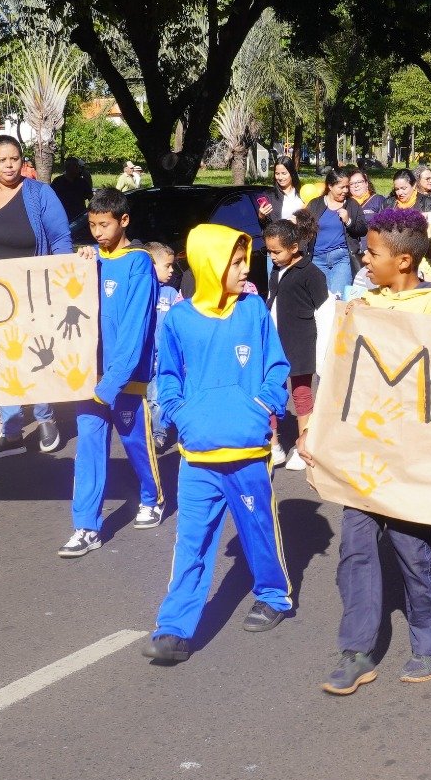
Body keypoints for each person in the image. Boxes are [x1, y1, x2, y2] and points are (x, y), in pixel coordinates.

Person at [297, 209, 431, 695]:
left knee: (413, 549)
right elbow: (340, 372)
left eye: (372, 253)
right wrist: (314, 431)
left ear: (405, 260)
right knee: (355, 547)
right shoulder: (361, 303)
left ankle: (430, 642)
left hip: (413, 455)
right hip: (363, 451)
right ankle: (356, 650)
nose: (363, 260)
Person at [142, 223, 293, 664]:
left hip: (247, 451)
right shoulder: (180, 319)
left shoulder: (253, 311)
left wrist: (260, 407)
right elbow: (167, 378)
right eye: (237, 261)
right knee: (191, 541)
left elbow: (276, 367)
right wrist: (183, 416)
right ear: (210, 266)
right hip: (198, 456)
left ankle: (273, 596)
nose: (246, 269)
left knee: (259, 530)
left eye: (245, 259)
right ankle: (174, 627)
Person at [59, 188, 164, 559]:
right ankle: (86, 526)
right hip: (89, 372)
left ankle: (152, 496)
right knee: (88, 447)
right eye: (92, 225)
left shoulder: (138, 263)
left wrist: (111, 383)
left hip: (125, 376)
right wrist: (82, 263)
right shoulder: (91, 259)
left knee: (135, 442)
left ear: (124, 221)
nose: (98, 232)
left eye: (104, 225)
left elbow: (135, 332)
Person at [0, 133, 75, 458]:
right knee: (0, 361)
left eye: (14, 158)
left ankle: (45, 417)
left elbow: (60, 240)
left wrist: (62, 280)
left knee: (34, 356)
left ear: (22, 160)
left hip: (31, 294)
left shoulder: (40, 194)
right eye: (2, 160)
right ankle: (11, 432)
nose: (9, 165)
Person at [263, 210, 329, 472]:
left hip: (301, 344)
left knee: (301, 395)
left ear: (294, 247)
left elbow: (323, 311)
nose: (272, 257)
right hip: (274, 343)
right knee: (271, 393)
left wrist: (322, 349)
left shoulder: (311, 273)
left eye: (276, 252)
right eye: (269, 251)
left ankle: (305, 446)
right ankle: (274, 446)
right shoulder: (276, 270)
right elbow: (272, 299)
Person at [304, 168, 366, 300]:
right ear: (330, 186)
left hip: (341, 259)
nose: (345, 191)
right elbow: (304, 228)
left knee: (338, 299)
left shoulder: (352, 204)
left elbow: (362, 229)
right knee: (320, 301)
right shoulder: (315, 204)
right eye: (341, 187)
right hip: (317, 259)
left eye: (347, 187)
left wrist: (348, 221)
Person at [146, 241, 182, 454]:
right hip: (145, 357)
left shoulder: (170, 293)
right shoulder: (141, 291)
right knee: (149, 399)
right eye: (167, 266)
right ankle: (151, 430)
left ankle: (159, 434)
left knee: (157, 397)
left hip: (164, 357)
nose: (171, 271)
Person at [257, 158, 303, 223]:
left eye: (284, 173)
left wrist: (300, 222)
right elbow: (266, 225)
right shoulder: (269, 196)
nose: (280, 178)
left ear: (292, 173)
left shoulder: (302, 194)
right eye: (277, 174)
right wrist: (261, 216)